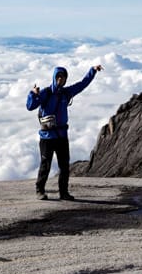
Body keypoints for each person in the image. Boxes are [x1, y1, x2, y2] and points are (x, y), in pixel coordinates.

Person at [26, 64, 103, 201]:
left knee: (64, 166)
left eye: (63, 77)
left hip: (61, 136)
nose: (61, 79)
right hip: (47, 136)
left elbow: (82, 84)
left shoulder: (66, 93)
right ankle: (40, 190)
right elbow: (30, 106)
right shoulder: (46, 93)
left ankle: (64, 192)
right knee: (46, 164)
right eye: (58, 77)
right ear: (54, 78)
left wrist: (92, 70)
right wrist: (33, 94)